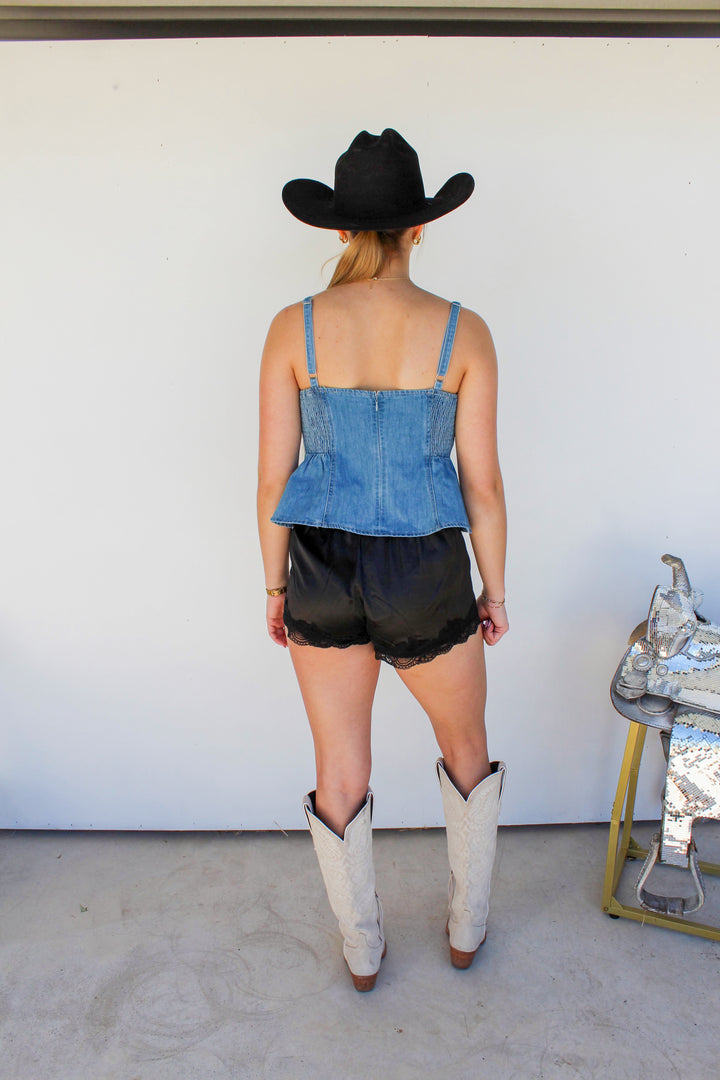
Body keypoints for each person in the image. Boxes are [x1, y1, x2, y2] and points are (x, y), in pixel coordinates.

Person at [257, 129, 508, 992]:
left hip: (320, 568)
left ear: (338, 232)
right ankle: (468, 928)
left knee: (338, 765)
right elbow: (484, 485)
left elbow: (270, 480)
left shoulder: (294, 327)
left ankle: (362, 951)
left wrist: (275, 584)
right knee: (466, 744)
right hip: (427, 571)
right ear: (420, 227)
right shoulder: (461, 331)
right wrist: (496, 590)